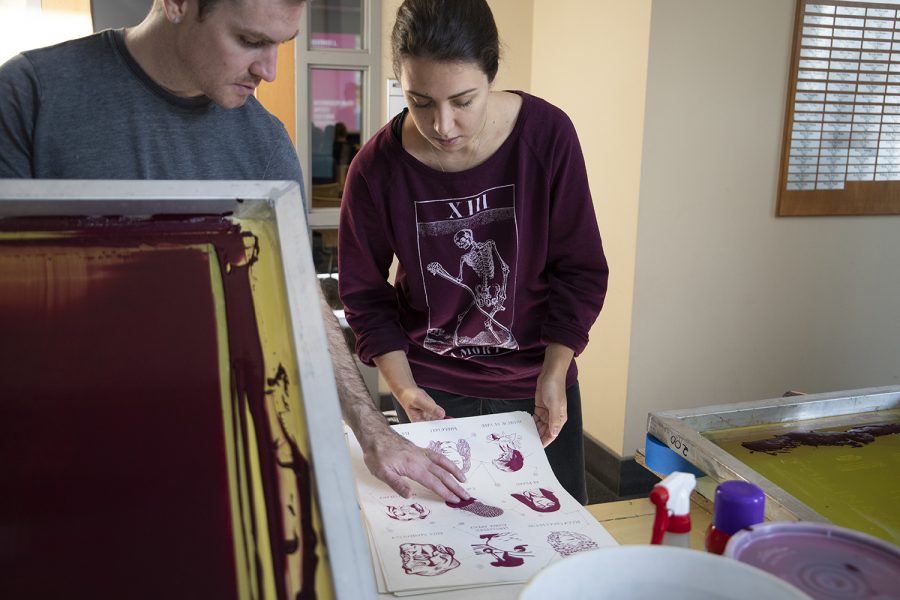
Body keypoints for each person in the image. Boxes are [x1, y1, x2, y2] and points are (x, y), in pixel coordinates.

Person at [0, 0, 468, 504]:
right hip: (64, 463)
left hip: (219, 458)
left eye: (280, 46)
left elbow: (298, 298)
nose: (268, 70)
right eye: (249, 41)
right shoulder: (32, 97)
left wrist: (372, 430)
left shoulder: (263, 141)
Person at [338, 0, 609, 504]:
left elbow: (580, 268)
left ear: (492, 74)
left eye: (463, 100)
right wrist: (403, 389)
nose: (442, 125)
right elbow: (364, 294)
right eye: (420, 101)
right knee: (457, 538)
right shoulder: (376, 169)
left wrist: (554, 372)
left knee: (557, 543)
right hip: (432, 388)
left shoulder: (547, 136)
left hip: (538, 382)